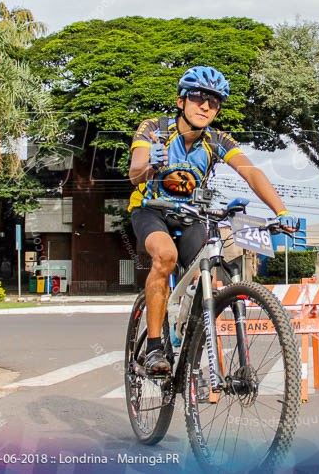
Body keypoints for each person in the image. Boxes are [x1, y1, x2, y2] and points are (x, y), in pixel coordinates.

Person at [128, 66, 298, 375]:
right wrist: (151, 166)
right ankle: (153, 347)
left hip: (191, 214)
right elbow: (134, 173)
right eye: (198, 98)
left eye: (214, 102)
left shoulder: (218, 140)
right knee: (165, 257)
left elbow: (251, 173)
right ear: (181, 101)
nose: (206, 107)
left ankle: (188, 343)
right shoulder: (155, 129)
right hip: (150, 209)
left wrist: (281, 211)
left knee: (205, 272)